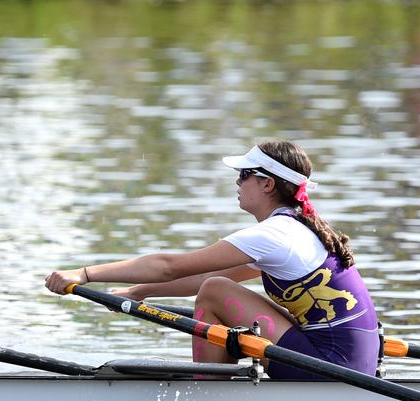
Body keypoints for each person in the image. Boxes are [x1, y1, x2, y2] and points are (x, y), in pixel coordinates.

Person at [45, 140, 380, 380]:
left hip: (332, 367)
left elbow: (171, 266)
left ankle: (207, 393)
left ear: (266, 184)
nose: (237, 181)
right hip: (352, 363)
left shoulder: (274, 234)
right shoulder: (295, 231)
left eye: (244, 174)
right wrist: (140, 292)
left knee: (214, 290)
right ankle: (223, 374)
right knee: (217, 285)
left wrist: (86, 274)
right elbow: (211, 273)